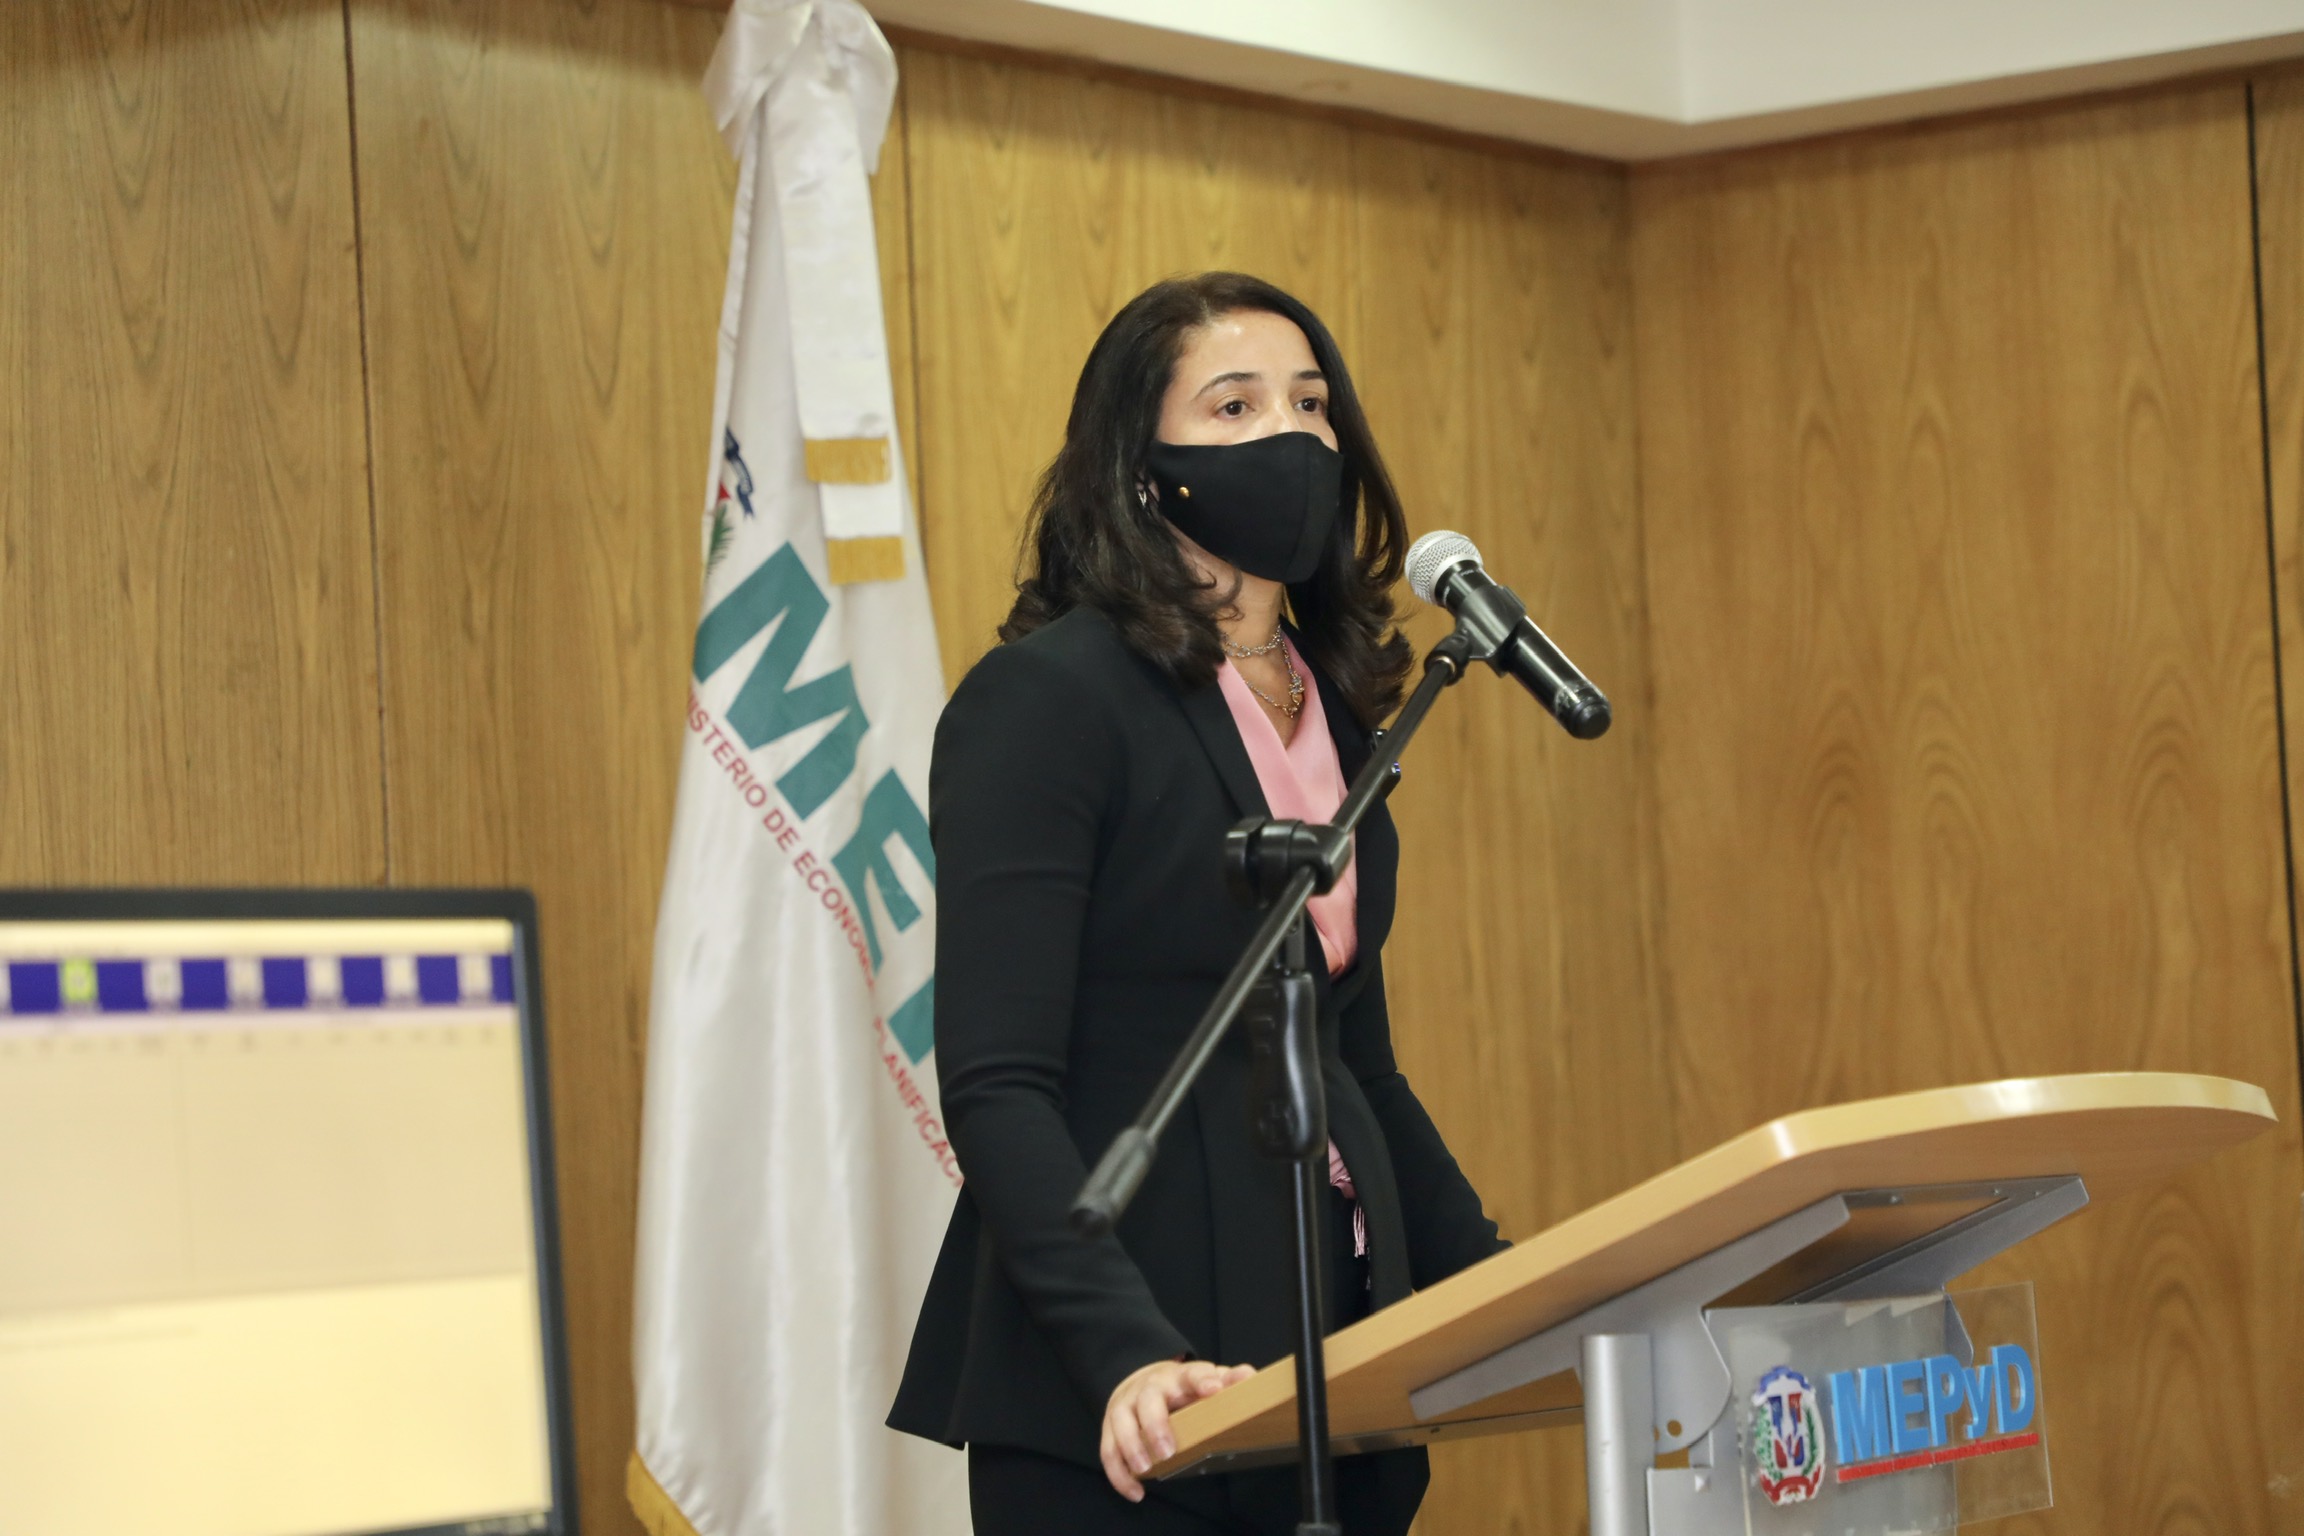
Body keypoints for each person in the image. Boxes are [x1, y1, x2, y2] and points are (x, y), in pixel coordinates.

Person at [888, 272, 1508, 1535]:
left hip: (1335, 1362)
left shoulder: (1338, 715)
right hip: (1132, 1393)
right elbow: (999, 1085)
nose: (1291, 436)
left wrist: (1514, 1290)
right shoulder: (1047, 702)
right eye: (1235, 406)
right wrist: (1127, 1351)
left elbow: (1359, 1070)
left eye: (1311, 404)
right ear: (1139, 469)